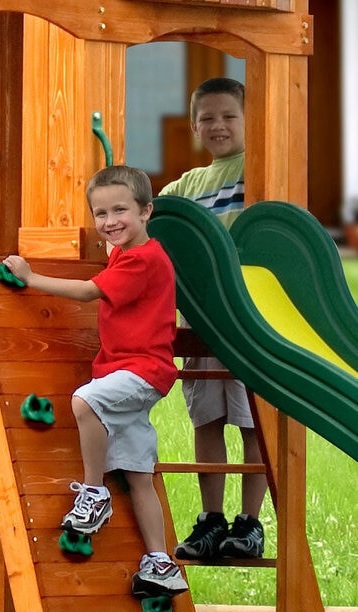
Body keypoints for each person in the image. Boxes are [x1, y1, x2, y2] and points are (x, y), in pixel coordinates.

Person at [2, 165, 188, 597]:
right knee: (139, 475)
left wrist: (30, 278)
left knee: (85, 402)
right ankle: (160, 562)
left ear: (146, 211)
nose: (110, 221)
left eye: (120, 210)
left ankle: (94, 492)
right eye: (101, 214)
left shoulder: (143, 259)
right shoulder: (125, 251)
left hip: (142, 370)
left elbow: (88, 292)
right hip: (129, 371)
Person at [159, 77, 267, 560]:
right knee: (208, 419)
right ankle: (212, 519)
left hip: (252, 322)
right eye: (207, 117)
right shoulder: (186, 186)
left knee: (253, 422)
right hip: (203, 322)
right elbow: (154, 217)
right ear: (195, 125)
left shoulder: (260, 168)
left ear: (250, 121)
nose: (217, 125)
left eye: (229, 115)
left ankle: (250, 522)